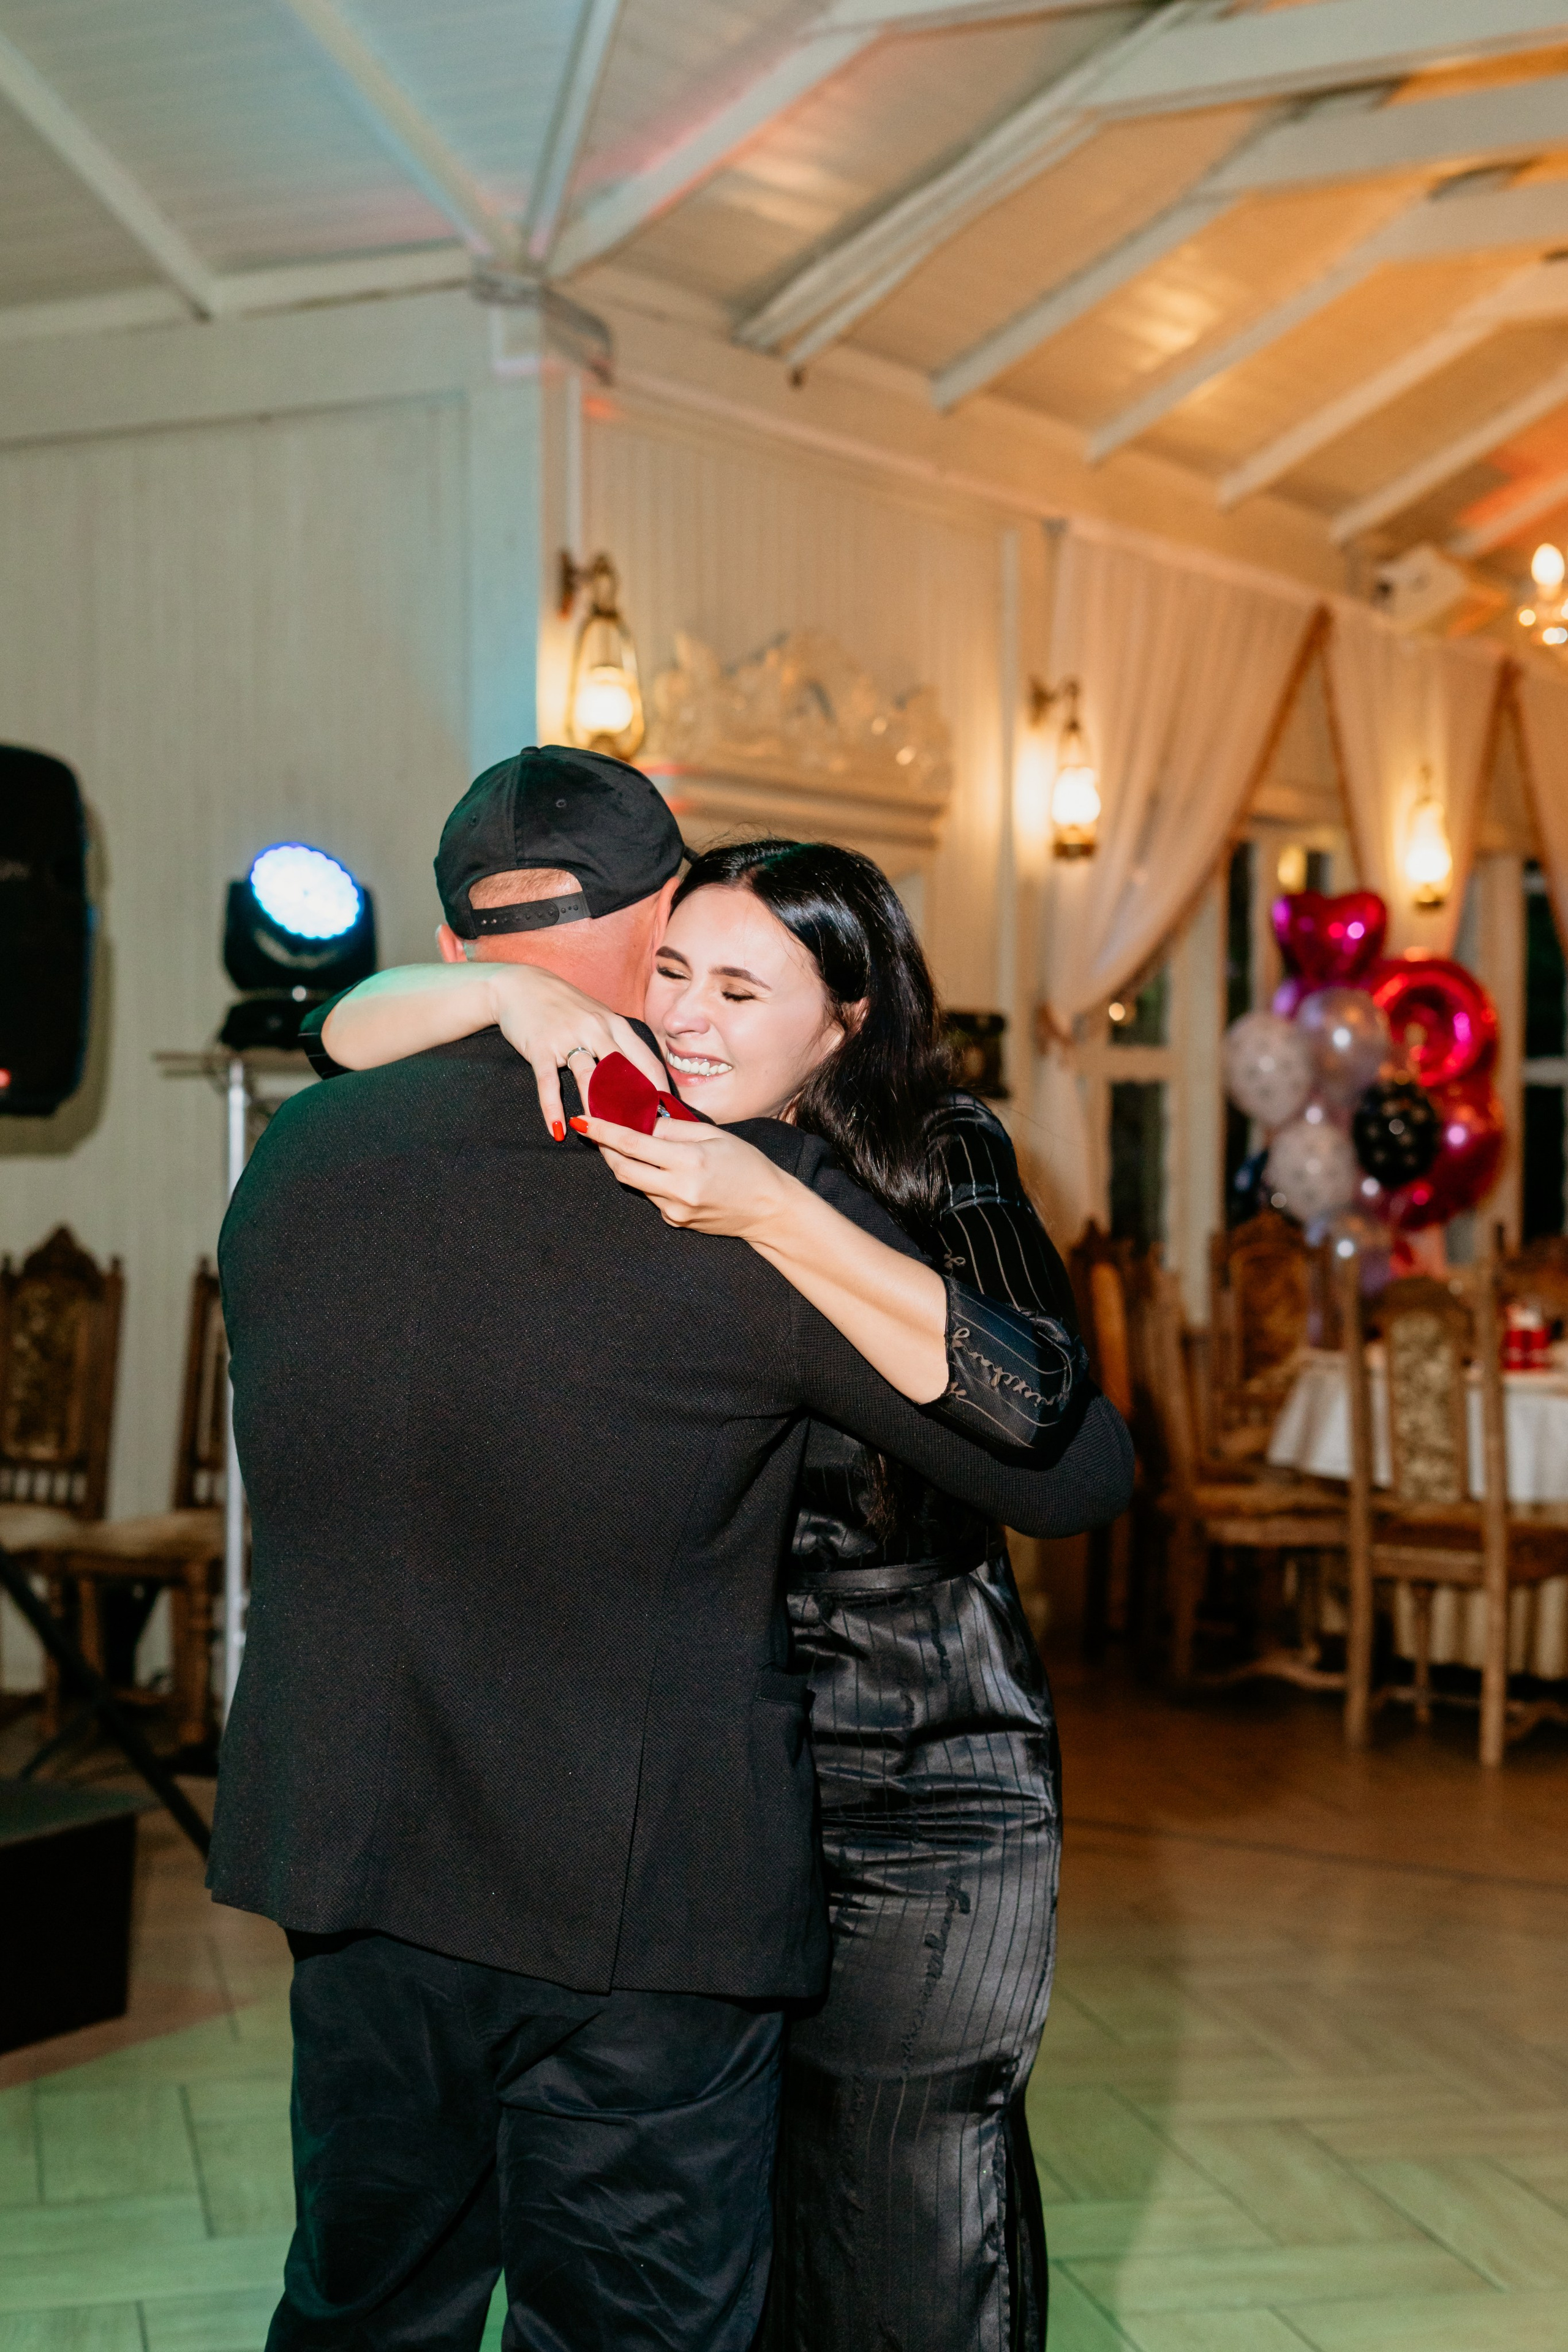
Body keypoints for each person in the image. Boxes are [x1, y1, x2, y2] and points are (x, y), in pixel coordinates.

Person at [211, 745, 1134, 2352]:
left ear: (458, 936)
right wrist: (773, 1206)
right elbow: (1069, 1475)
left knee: (361, 2309)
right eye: (688, 959)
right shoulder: (710, 1182)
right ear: (656, 925)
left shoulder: (299, 1154)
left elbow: (341, 1028)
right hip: (638, 1899)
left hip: (352, 1864)